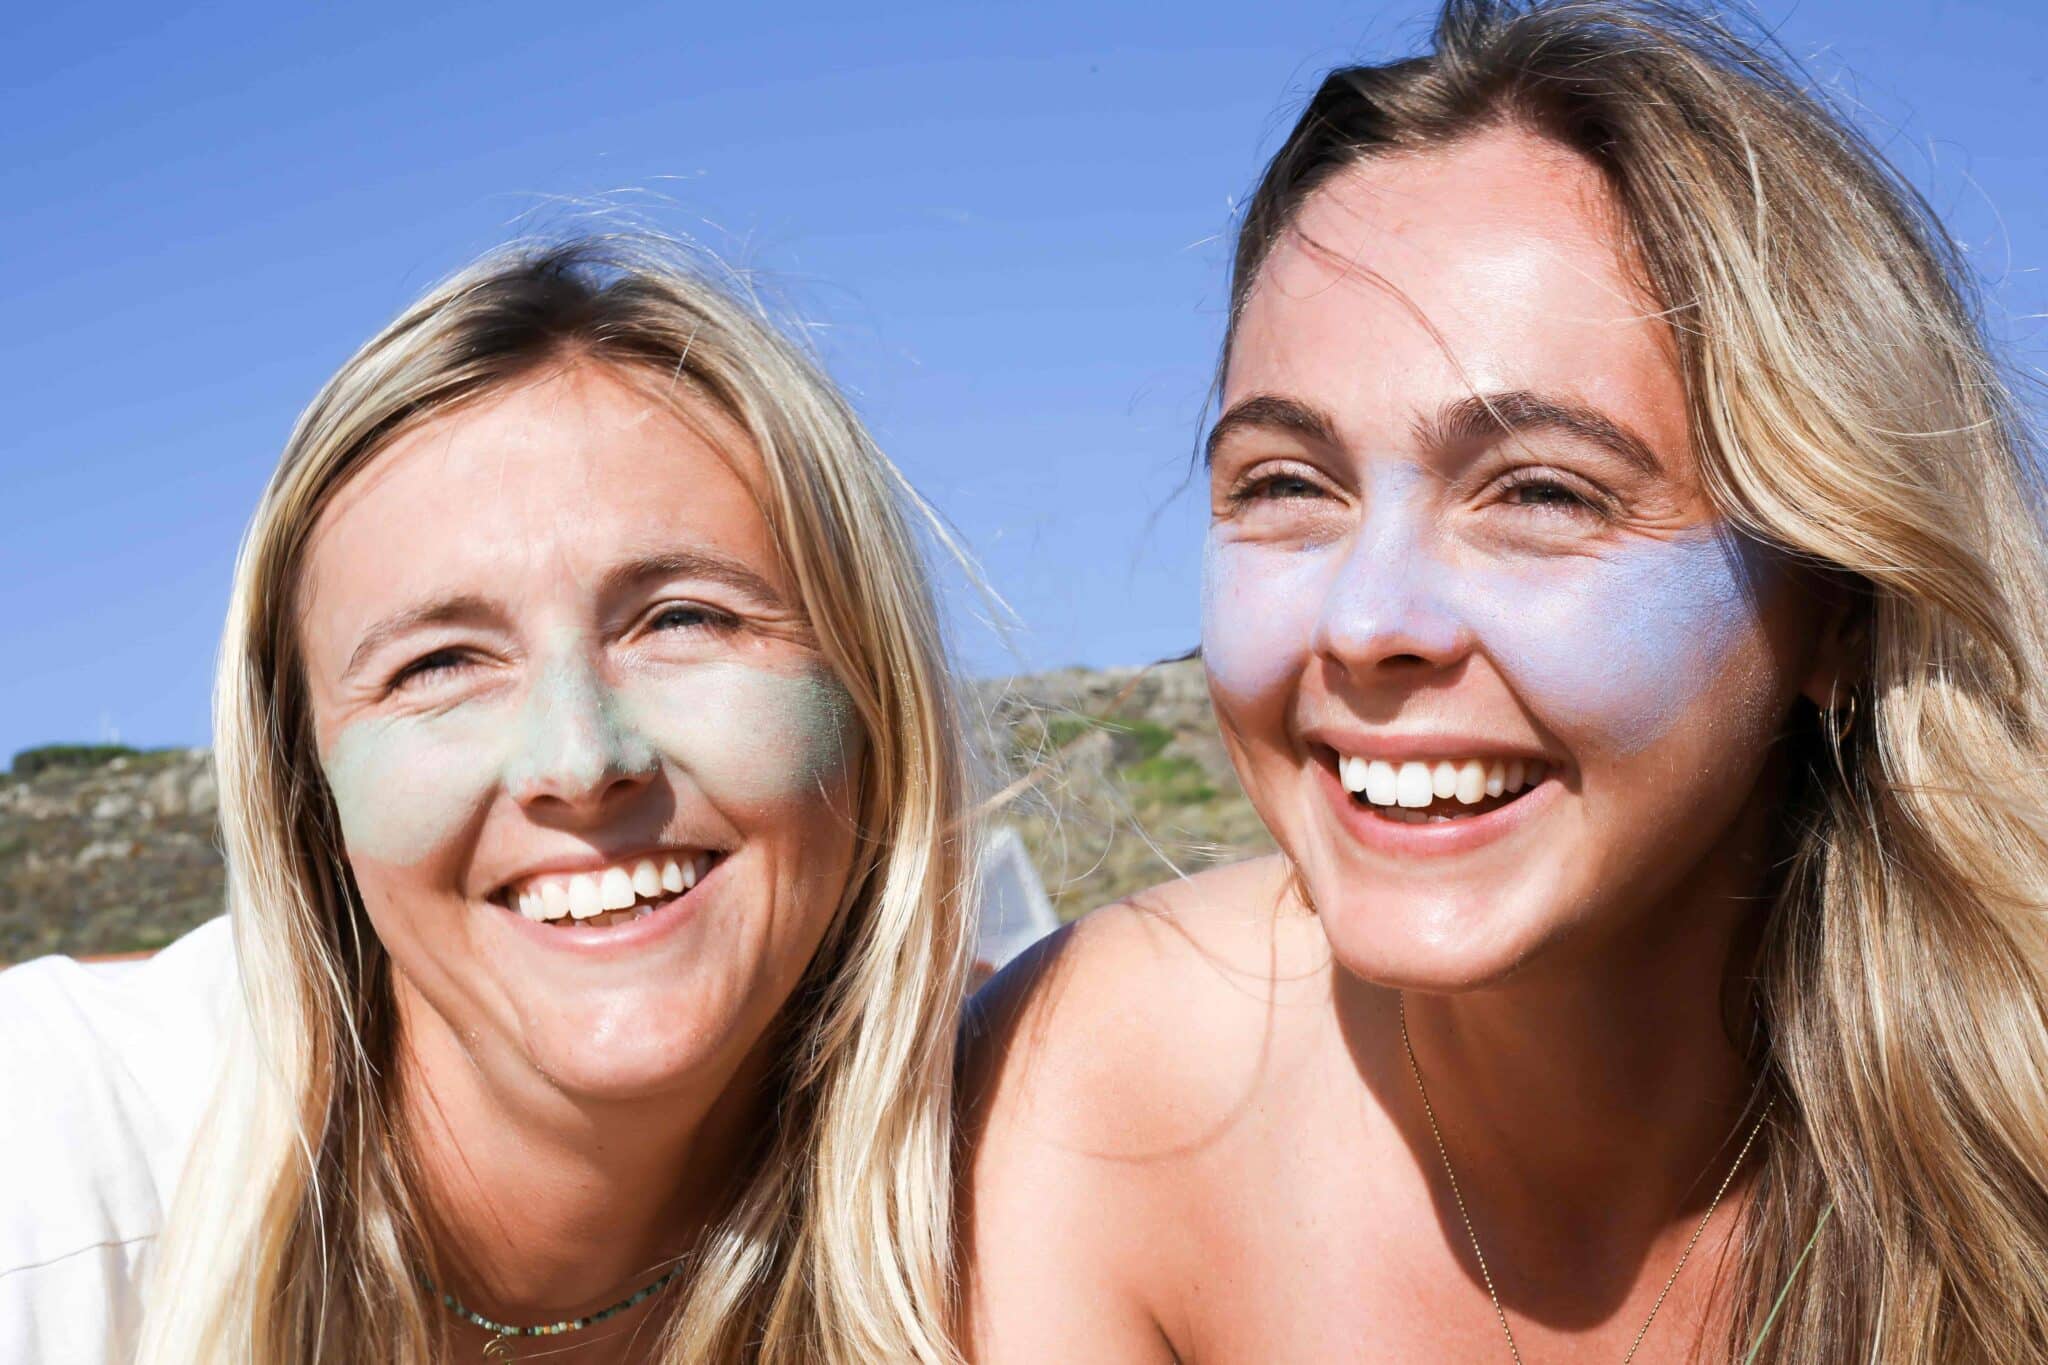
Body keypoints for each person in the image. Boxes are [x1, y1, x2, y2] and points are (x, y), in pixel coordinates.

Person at [961, 2, 2048, 1360]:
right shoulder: (1093, 1084)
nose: (1366, 621)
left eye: (1541, 492)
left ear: (1840, 606)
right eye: (1286, 484)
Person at [1, 237, 980, 1365]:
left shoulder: (1037, 1173)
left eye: (683, 618)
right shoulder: (49, 1171)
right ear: (307, 796)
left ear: (872, 700)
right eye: (439, 665)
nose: (578, 759)